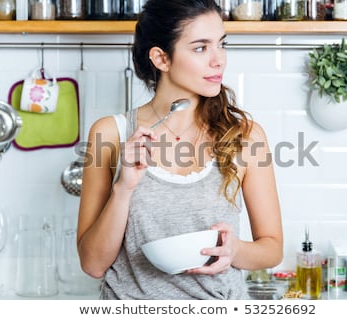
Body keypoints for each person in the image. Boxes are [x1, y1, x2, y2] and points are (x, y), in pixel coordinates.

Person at [77, 0, 283, 300]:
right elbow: (93, 264)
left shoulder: (245, 136)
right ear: (161, 58)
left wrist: (235, 250)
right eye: (201, 48)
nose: (219, 60)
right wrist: (123, 187)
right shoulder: (110, 134)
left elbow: (272, 247)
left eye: (221, 44)